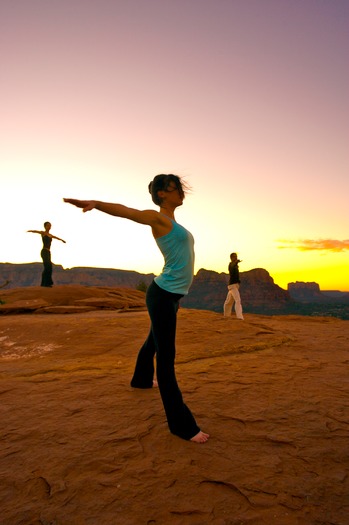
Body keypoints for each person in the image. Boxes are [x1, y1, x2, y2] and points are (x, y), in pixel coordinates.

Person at [63, 174, 209, 444]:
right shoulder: (158, 218)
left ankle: (141, 379)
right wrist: (96, 203)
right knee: (166, 358)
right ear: (162, 194)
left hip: (171, 295)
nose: (181, 194)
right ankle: (181, 425)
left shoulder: (173, 222)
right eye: (175, 189)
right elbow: (127, 212)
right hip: (163, 294)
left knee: (154, 340)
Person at [27, 222, 66, 287]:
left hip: (48, 252)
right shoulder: (43, 233)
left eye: (50, 226)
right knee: (47, 267)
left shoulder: (50, 235)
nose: (49, 227)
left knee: (49, 267)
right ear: (45, 226)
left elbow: (55, 237)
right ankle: (45, 284)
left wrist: (62, 240)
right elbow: (37, 231)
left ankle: (47, 283)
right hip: (44, 251)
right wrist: (30, 231)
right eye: (48, 225)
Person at [223, 252, 244, 320]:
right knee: (238, 300)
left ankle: (226, 315)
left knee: (228, 302)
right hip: (233, 286)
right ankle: (240, 317)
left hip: (233, 285)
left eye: (236, 256)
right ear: (231, 258)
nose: (236, 257)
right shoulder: (231, 264)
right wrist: (236, 262)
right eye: (234, 256)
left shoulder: (234, 265)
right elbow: (233, 265)